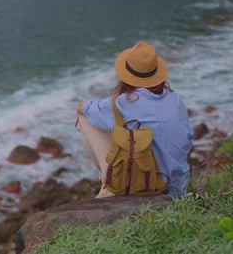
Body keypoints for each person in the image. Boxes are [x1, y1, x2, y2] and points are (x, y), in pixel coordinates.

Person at [76, 40, 193, 198]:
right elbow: (188, 139)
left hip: (144, 184)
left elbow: (84, 109)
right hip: (176, 186)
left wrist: (81, 107)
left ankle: (107, 178)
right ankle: (109, 176)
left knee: (84, 118)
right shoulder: (176, 100)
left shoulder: (123, 103)